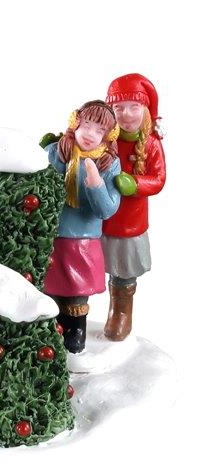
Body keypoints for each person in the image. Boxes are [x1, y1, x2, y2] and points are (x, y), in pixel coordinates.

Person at [43, 101, 121, 354]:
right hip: (51, 236)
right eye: (86, 125)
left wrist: (96, 184)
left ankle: (75, 337)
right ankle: (49, 337)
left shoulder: (108, 164)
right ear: (75, 124)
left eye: (99, 130)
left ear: (107, 136)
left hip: (82, 241)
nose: (90, 134)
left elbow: (107, 210)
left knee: (77, 295)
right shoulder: (56, 152)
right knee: (48, 292)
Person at [102, 74, 167, 340]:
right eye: (119, 108)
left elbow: (159, 179)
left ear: (145, 110)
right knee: (93, 265)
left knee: (124, 271)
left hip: (129, 222)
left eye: (134, 107)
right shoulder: (105, 139)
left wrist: (135, 184)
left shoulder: (151, 143)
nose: (126, 114)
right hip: (101, 218)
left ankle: (121, 312)